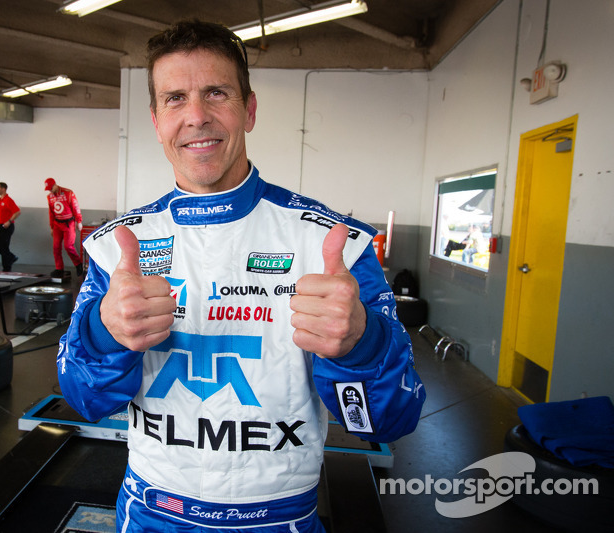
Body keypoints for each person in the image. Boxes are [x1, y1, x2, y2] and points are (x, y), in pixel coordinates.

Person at [57, 20, 425, 532]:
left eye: (216, 93)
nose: (197, 117)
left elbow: (388, 421)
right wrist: (103, 331)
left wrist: (363, 342)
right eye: (175, 99)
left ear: (249, 110)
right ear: (155, 120)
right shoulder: (117, 248)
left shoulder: (330, 245)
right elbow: (83, 400)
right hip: (150, 517)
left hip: (280, 522)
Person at [44, 177, 84, 277]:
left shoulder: (68, 193)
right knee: (56, 247)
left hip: (69, 223)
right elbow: (51, 213)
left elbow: (75, 207)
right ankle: (59, 268)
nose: (50, 191)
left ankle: (78, 264)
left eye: (51, 188)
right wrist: (51, 227)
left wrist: (79, 221)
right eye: (48, 189)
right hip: (57, 224)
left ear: (55, 185)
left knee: (68, 246)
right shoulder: (49, 197)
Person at [0, 182, 20, 271]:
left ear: (3, 189)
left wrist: (9, 221)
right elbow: (2, 215)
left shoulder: (8, 200)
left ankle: (7, 268)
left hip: (7, 226)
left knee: (4, 247)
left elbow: (17, 212)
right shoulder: (1, 200)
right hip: (0, 225)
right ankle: (11, 257)